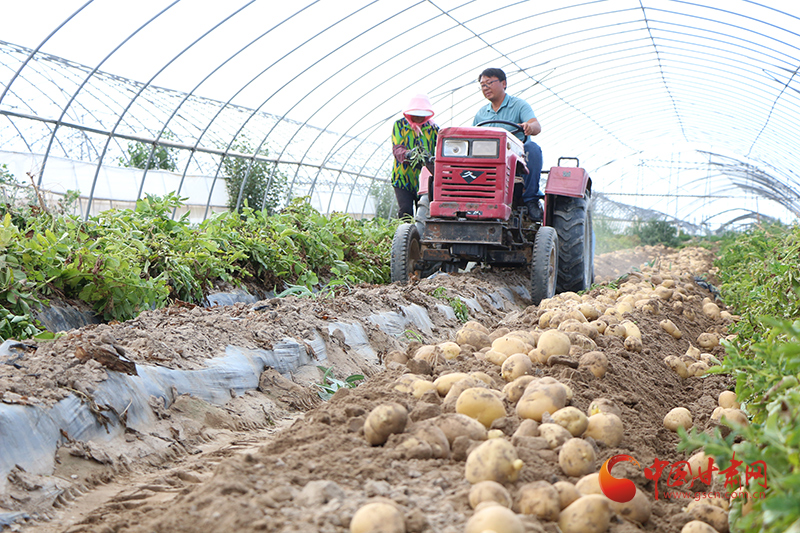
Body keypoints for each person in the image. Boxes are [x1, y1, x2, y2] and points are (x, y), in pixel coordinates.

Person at [473, 68, 544, 221]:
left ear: (503, 83)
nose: (485, 88)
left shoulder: (519, 105)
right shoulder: (481, 114)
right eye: (482, 85)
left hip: (515, 160)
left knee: (533, 148)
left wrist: (529, 127)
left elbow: (536, 126)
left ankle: (531, 198)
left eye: (489, 83)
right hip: (488, 161)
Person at [391, 94, 439, 220]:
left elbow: (439, 150)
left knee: (423, 211)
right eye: (416, 114)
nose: (418, 117)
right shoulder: (400, 125)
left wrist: (429, 159)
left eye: (421, 114)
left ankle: (421, 238)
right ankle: (405, 236)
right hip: (403, 177)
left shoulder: (433, 129)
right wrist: (408, 154)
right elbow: (397, 148)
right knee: (405, 210)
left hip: (425, 179)